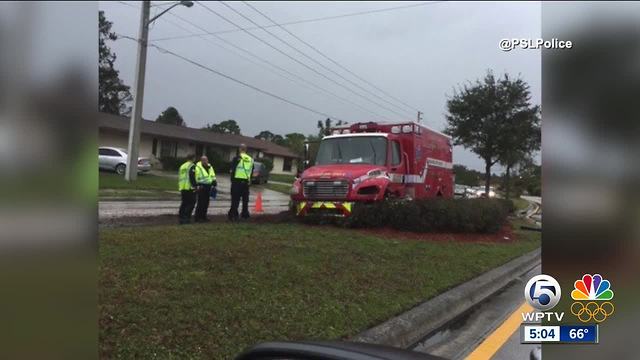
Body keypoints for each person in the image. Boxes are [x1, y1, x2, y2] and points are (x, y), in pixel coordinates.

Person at [228, 144, 253, 221]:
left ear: (239, 149)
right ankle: (245, 215)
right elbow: (251, 171)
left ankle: (233, 215)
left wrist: (232, 180)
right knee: (245, 200)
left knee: (235, 199)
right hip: (246, 182)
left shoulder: (236, 158)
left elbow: (232, 170)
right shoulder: (250, 159)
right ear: (246, 150)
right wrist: (249, 180)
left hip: (237, 181)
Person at [194, 155, 217, 222]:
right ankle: (198, 218)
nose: (205, 161)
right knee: (201, 203)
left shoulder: (210, 167)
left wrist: (214, 181)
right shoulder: (197, 167)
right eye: (203, 160)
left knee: (206, 203)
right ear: (201, 161)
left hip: (208, 186)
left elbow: (212, 175)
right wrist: (197, 185)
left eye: (206, 160)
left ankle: (203, 217)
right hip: (201, 186)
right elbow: (196, 177)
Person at [178, 154, 198, 225]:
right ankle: (186, 218)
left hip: (182, 187)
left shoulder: (182, 166)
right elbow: (192, 177)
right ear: (193, 158)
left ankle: (181, 217)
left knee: (184, 203)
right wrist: (195, 186)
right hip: (189, 187)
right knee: (191, 203)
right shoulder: (192, 166)